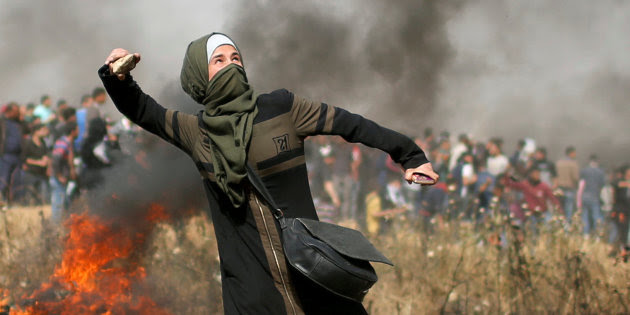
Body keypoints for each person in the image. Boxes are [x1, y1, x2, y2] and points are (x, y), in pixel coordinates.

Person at [99, 32, 438, 315]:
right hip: (252, 292)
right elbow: (144, 111)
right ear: (200, 75)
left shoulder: (283, 109)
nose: (232, 64)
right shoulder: (195, 131)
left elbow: (352, 124)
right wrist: (118, 78)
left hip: (315, 278)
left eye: (236, 58)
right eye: (219, 60)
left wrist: (409, 155)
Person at [50, 122, 78, 223]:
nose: (79, 132)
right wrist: (59, 176)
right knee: (58, 205)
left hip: (63, 178)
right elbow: (56, 159)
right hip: (58, 178)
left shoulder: (69, 143)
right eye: (77, 129)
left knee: (64, 203)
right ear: (73, 131)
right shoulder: (63, 143)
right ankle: (54, 228)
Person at [0, 103, 25, 207]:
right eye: (16, 111)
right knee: (3, 179)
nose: (18, 113)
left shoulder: (18, 124)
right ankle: (2, 201)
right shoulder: (2, 123)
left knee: (15, 181)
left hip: (17, 156)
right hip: (5, 156)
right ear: (9, 112)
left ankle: (12, 202)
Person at [20, 123, 50, 205]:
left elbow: (47, 154)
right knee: (30, 193)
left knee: (44, 195)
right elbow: (24, 158)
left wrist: (46, 160)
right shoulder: (28, 143)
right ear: (36, 132)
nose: (45, 132)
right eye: (43, 130)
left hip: (42, 173)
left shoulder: (43, 143)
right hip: (31, 172)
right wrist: (38, 162)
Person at [577, 154, 606, 235]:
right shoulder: (600, 172)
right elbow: (602, 185)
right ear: (597, 161)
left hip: (584, 196)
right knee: (596, 215)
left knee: (584, 216)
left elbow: (580, 184)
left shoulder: (584, 171)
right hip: (595, 196)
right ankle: (598, 233)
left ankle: (585, 234)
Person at [555, 146, 579, 222]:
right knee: (569, 209)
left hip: (559, 189)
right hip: (569, 188)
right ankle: (567, 227)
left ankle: (559, 224)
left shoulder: (559, 163)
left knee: (560, 208)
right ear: (571, 153)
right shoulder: (573, 163)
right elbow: (575, 177)